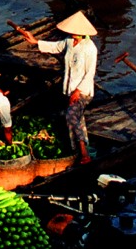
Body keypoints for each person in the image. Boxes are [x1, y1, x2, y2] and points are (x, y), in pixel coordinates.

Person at [14, 11, 98, 165]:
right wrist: (34, 41)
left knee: (71, 116)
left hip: (83, 91)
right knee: (78, 119)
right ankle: (78, 147)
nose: (72, 34)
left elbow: (90, 73)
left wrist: (77, 92)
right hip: (68, 89)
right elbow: (55, 47)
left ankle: (84, 154)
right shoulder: (69, 42)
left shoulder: (90, 48)